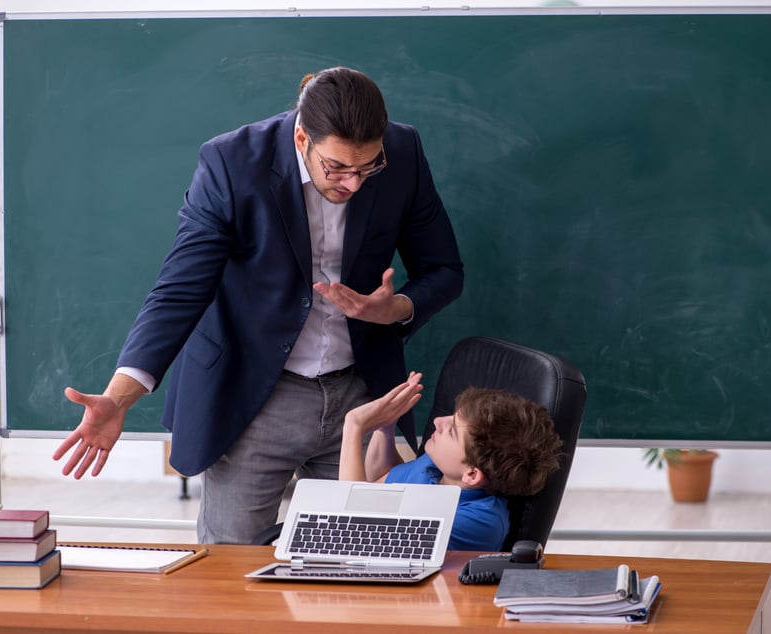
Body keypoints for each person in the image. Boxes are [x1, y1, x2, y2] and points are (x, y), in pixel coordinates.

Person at [52, 67, 464, 544]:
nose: (353, 184)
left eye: (366, 168)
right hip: (256, 397)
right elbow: (180, 288)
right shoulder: (231, 163)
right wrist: (120, 394)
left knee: (356, 560)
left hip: (361, 395)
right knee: (228, 572)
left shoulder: (403, 152)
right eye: (336, 168)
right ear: (302, 136)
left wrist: (393, 310)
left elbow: (445, 270)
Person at [339, 372, 563, 551]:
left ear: (472, 474)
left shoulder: (481, 521)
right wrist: (385, 428)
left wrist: (354, 427)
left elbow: (352, 529)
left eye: (453, 431)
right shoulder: (437, 468)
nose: (437, 421)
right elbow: (380, 480)